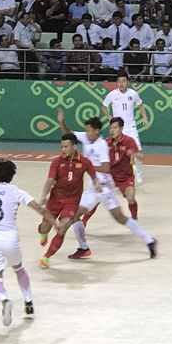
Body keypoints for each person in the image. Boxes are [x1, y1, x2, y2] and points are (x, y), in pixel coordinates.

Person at [55, 108, 157, 260]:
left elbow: (106, 168)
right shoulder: (87, 137)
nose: (86, 134)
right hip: (92, 189)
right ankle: (84, 248)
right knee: (74, 215)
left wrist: (86, 166)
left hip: (104, 187)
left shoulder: (102, 145)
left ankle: (149, 240)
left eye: (89, 131)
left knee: (120, 217)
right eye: (86, 131)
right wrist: (62, 122)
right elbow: (69, 134)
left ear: (96, 131)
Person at [0, 159, 56, 326]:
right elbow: (40, 208)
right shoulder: (15, 191)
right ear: (11, 177)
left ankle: (4, 300)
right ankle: (29, 302)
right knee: (18, 268)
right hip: (10, 237)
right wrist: (56, 223)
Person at [37, 133, 101, 269]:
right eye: (62, 147)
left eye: (66, 147)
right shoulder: (56, 162)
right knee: (45, 227)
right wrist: (44, 194)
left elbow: (93, 174)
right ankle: (43, 232)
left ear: (74, 146)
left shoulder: (84, 162)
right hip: (55, 199)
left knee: (62, 229)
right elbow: (49, 180)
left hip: (72, 201)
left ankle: (46, 257)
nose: (63, 150)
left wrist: (96, 183)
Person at [79, 117, 144, 232]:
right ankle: (84, 221)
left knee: (131, 197)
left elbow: (141, 157)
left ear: (121, 128)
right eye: (111, 128)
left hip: (125, 176)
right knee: (97, 198)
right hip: (111, 177)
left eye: (115, 128)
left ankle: (134, 218)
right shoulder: (105, 143)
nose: (112, 130)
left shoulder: (129, 141)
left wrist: (134, 153)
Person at [100, 70, 149, 182]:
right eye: (119, 81)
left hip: (131, 127)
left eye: (123, 81)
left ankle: (138, 172)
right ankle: (112, 175)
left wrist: (145, 119)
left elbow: (141, 106)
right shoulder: (112, 95)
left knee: (138, 151)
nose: (121, 84)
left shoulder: (133, 94)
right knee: (114, 152)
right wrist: (110, 119)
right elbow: (103, 107)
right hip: (118, 129)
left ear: (127, 82)